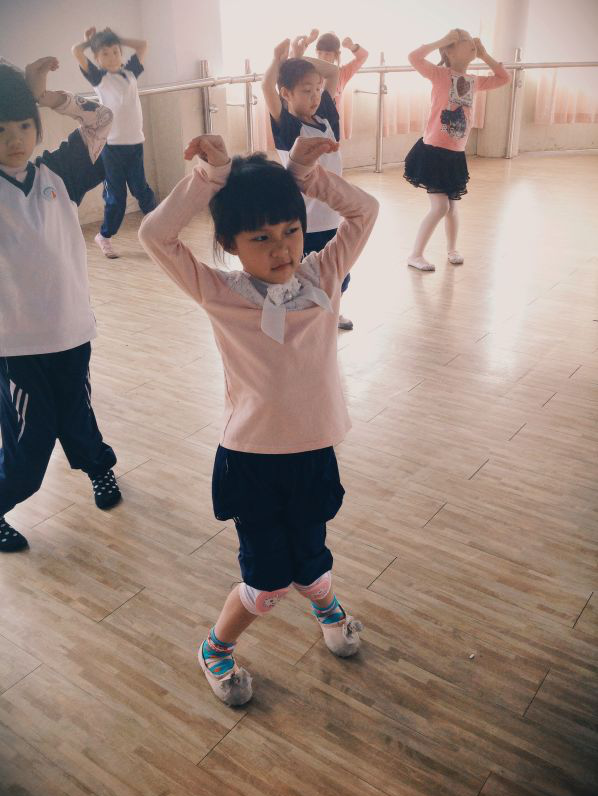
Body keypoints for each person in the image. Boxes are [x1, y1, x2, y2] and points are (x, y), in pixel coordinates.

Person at [138, 133, 379, 705]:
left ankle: (327, 607)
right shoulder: (220, 292)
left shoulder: (324, 275)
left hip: (314, 453)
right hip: (252, 461)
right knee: (268, 583)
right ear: (229, 244)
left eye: (290, 230)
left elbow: (364, 211)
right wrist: (213, 178)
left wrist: (304, 176)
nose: (281, 248)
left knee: (312, 558)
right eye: (261, 238)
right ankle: (215, 647)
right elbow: (155, 235)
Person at [0, 57, 121, 553]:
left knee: (77, 414)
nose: (15, 139)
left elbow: (101, 118)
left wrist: (43, 96)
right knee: (30, 440)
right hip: (17, 347)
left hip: (71, 332)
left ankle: (99, 468)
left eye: (23, 125)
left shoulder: (59, 171)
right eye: (1, 129)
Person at [262, 39, 354, 331]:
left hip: (332, 217)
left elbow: (333, 73)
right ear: (286, 93)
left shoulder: (324, 116)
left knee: (340, 275)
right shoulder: (289, 125)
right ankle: (297, 320)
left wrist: (299, 58)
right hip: (305, 222)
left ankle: (329, 313)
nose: (315, 96)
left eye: (317, 89)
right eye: (306, 90)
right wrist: (280, 61)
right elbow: (267, 88)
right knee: (303, 276)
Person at [404, 29, 510, 271]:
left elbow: (504, 78)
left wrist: (485, 55)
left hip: (455, 154)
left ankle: (452, 249)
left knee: (452, 206)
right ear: (450, 51)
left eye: (473, 41)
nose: (472, 43)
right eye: (465, 41)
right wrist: (441, 41)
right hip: (433, 152)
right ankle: (415, 254)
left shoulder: (474, 81)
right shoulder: (439, 74)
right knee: (440, 207)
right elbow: (414, 57)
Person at [72, 26, 156, 258]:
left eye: (115, 52)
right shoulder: (99, 77)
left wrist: (117, 38)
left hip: (135, 144)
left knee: (141, 190)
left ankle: (160, 229)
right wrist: (91, 42)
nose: (111, 57)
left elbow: (143, 45)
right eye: (105, 54)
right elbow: (76, 51)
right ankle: (104, 236)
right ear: (97, 58)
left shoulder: (130, 72)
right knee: (117, 197)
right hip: (111, 148)